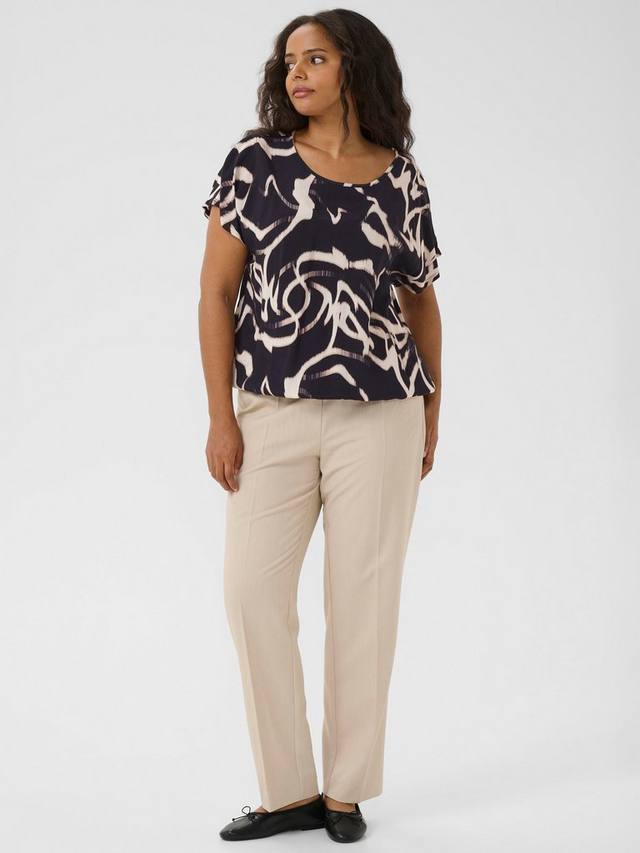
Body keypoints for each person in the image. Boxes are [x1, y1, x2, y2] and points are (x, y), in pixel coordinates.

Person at [198, 9, 443, 844]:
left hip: (382, 413)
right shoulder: (255, 163)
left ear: (354, 68)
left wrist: (433, 406)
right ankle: (288, 789)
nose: (296, 72)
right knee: (250, 593)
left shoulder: (400, 179)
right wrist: (220, 417)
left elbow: (421, 300)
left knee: (364, 600)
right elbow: (214, 294)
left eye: (315, 58)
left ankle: (344, 792)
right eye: (288, 60)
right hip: (272, 410)